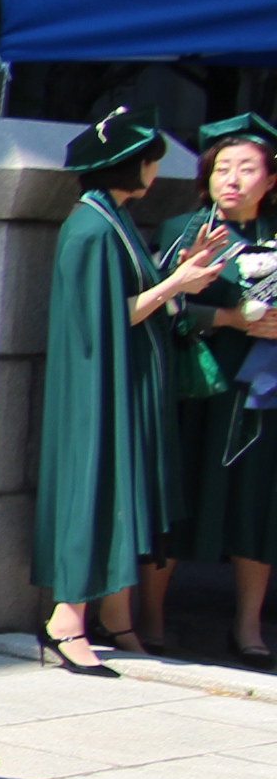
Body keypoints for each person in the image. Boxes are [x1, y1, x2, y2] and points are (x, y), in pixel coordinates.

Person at [37, 107, 230, 669]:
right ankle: (67, 619)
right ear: (129, 165)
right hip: (97, 386)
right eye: (150, 160)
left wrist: (184, 268)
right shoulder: (92, 227)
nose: (155, 171)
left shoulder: (112, 217)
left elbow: (134, 294)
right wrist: (178, 282)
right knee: (94, 489)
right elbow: (106, 316)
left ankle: (115, 616)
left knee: (120, 493)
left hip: (122, 379)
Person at [147, 112, 277, 665]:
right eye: (223, 168)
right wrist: (227, 318)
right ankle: (152, 617)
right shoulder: (183, 231)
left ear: (271, 179)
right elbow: (160, 308)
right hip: (196, 387)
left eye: (247, 169)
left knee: (256, 502)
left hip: (261, 397)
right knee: (178, 496)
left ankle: (248, 625)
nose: (233, 179)